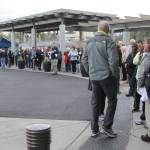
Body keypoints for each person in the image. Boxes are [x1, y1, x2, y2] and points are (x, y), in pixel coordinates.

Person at [82, 21, 119, 138]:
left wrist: (90, 72)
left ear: (98, 29)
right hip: (107, 77)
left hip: (94, 77)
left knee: (95, 103)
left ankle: (94, 129)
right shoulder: (109, 41)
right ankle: (107, 127)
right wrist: (115, 76)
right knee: (112, 100)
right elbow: (113, 62)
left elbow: (84, 60)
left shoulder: (88, 41)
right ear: (107, 29)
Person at [137, 37, 150, 142]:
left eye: (145, 43)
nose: (144, 45)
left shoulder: (148, 56)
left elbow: (143, 72)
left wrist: (140, 85)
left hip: (148, 85)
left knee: (149, 110)